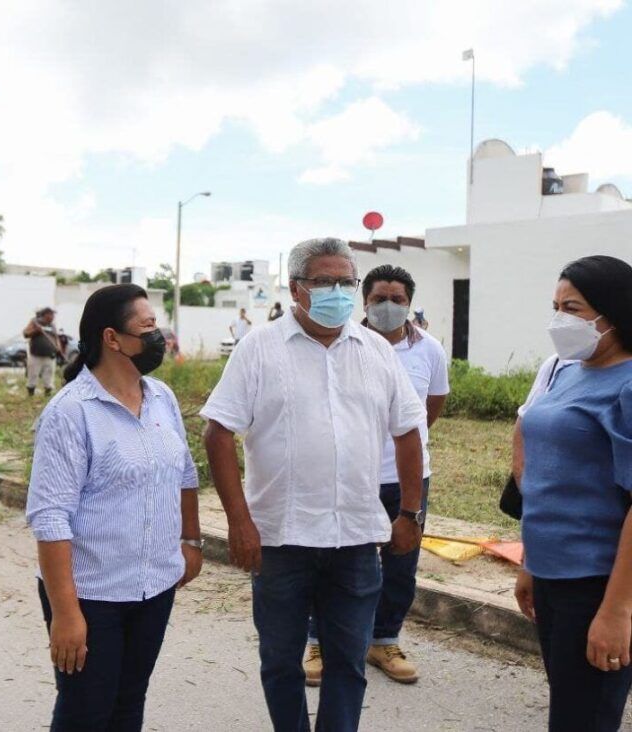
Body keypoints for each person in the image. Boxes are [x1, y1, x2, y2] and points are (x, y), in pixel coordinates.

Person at [201, 237, 425, 732]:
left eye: (347, 281)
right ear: (297, 288)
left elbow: (409, 431)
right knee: (282, 661)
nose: (339, 291)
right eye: (326, 281)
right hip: (281, 539)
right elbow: (217, 433)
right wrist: (239, 522)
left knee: (347, 663)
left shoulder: (375, 351)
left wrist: (410, 513)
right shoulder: (259, 348)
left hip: (354, 540)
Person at [26, 284, 202, 731]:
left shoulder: (162, 397)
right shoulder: (70, 413)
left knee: (128, 703)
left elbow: (184, 474)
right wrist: (66, 614)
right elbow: (50, 518)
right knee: (85, 712)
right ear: (112, 339)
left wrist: (191, 540)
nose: (158, 336)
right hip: (91, 596)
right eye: (147, 327)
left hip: (154, 587)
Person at [305, 264, 449, 686]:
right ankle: (317, 640)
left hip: (408, 478)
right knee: (332, 560)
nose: (389, 307)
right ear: (363, 302)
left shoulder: (430, 350)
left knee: (401, 563)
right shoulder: (343, 344)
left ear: (410, 303)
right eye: (379, 299)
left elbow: (430, 409)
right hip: (351, 474)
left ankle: (383, 640)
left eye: (398, 300)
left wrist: (403, 449)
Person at [513, 255, 632, 732]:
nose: (560, 319)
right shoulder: (568, 371)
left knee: (582, 719)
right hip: (552, 576)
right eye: (556, 306)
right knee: (569, 707)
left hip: (599, 584)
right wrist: (530, 564)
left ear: (614, 313)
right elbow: (551, 481)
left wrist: (618, 610)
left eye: (574, 308)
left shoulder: (627, 385)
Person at [24, 307, 62, 397]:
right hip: (36, 355)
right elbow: (25, 334)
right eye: (51, 314)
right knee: (33, 374)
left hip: (50, 355)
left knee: (49, 374)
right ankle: (31, 392)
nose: (53, 316)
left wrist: (58, 347)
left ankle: (48, 392)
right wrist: (36, 331)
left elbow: (56, 337)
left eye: (53, 315)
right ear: (45, 315)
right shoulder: (35, 322)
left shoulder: (52, 326)